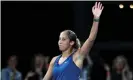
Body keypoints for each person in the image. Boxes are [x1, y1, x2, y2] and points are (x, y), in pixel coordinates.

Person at [43, 2, 104, 80]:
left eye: (63, 39)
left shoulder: (78, 56)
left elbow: (91, 39)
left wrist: (96, 18)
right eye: (59, 39)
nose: (60, 42)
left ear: (71, 42)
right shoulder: (54, 60)